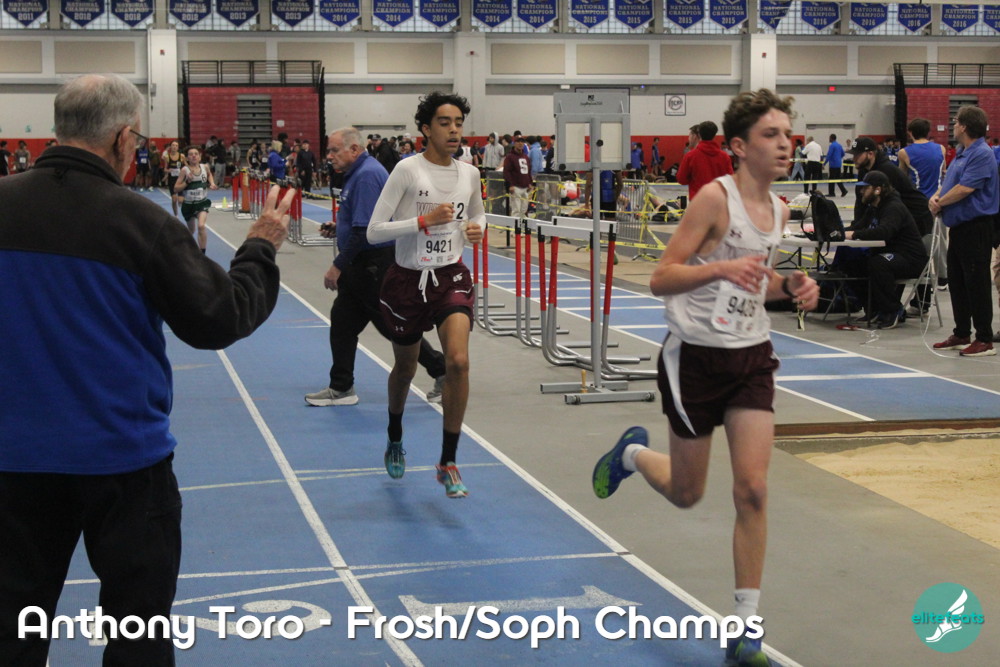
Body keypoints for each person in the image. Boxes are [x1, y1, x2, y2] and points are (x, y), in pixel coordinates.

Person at [0, 73, 295, 666]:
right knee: (138, 636)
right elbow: (218, 318)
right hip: (123, 463)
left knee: (11, 633)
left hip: (12, 464)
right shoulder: (141, 223)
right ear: (123, 138)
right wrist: (260, 246)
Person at [591, 88, 819, 667]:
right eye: (771, 135)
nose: (785, 144)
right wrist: (719, 268)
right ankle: (632, 456)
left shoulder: (781, 210)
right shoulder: (716, 200)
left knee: (753, 489)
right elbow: (661, 277)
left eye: (788, 134)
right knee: (687, 493)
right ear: (739, 146)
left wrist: (791, 286)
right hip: (693, 359)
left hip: (751, 358)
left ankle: (745, 627)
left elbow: (758, 283)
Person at [367, 91, 485, 498]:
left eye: (458, 123)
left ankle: (448, 462)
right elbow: (374, 231)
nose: (453, 130)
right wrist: (423, 221)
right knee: (405, 368)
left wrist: (477, 229)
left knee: (458, 362)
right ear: (425, 129)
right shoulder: (407, 170)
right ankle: (395, 434)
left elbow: (477, 213)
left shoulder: (470, 174)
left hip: (450, 276)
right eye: (444, 123)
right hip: (406, 281)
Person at [304, 127, 446, 408]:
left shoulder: (367, 175)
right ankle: (341, 387)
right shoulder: (358, 173)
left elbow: (364, 232)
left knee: (394, 327)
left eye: (334, 150)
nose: (329, 156)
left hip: (373, 266)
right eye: (329, 150)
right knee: (343, 325)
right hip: (362, 265)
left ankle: (443, 371)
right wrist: (338, 228)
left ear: (354, 149)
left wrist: (336, 266)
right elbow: (364, 221)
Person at [930, 105, 1000, 357]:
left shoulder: (981, 154)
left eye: (956, 121)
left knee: (976, 283)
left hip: (976, 227)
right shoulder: (962, 152)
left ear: (965, 127)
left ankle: (984, 338)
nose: (954, 125)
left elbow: (965, 188)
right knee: (958, 282)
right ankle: (961, 333)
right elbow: (951, 183)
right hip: (958, 227)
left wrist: (940, 203)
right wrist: (936, 195)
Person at [840, 171, 928, 328]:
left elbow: (884, 232)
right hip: (893, 255)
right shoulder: (874, 208)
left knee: (878, 264)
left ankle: (893, 310)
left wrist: (854, 235)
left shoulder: (893, 207)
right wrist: (838, 232)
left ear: (878, 190)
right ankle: (873, 308)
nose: (861, 192)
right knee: (851, 263)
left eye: (865, 188)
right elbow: (858, 226)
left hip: (911, 258)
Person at [897, 118, 948, 313]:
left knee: (918, 246)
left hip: (918, 205)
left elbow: (902, 179)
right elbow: (943, 173)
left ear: (910, 133)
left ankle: (922, 283)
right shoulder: (941, 149)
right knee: (940, 240)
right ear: (928, 132)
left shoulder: (904, 153)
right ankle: (943, 277)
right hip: (939, 200)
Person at [173, 146, 217, 253]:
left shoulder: (205, 167)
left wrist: (212, 183)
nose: (194, 156)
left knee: (201, 226)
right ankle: (182, 246)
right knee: (191, 231)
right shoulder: (184, 170)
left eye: (196, 154)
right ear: (187, 158)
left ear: (200, 157)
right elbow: (176, 188)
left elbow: (209, 175)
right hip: (189, 204)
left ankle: (202, 254)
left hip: (202, 203)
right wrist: (187, 182)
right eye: (191, 154)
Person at [677, 120, 734, 200]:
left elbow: (681, 179)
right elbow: (730, 179)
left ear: (699, 134)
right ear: (714, 135)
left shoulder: (690, 156)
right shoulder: (724, 156)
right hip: (719, 200)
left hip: (698, 199)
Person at [502, 135, 533, 219]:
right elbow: (507, 171)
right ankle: (514, 227)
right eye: (518, 141)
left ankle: (522, 225)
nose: (520, 143)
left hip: (525, 187)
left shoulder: (526, 157)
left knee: (524, 210)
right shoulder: (510, 157)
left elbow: (528, 171)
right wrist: (510, 185)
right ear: (514, 143)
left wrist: (530, 183)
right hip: (515, 187)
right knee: (516, 210)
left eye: (522, 142)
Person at [163, 140, 184, 216]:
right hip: (172, 180)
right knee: (174, 199)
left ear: (178, 147)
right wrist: (169, 170)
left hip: (180, 180)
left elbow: (186, 166)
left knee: (180, 201)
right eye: (173, 145)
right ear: (170, 147)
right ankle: (176, 215)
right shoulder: (167, 157)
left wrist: (183, 171)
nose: (174, 147)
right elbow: (165, 169)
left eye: (176, 145)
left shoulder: (181, 156)